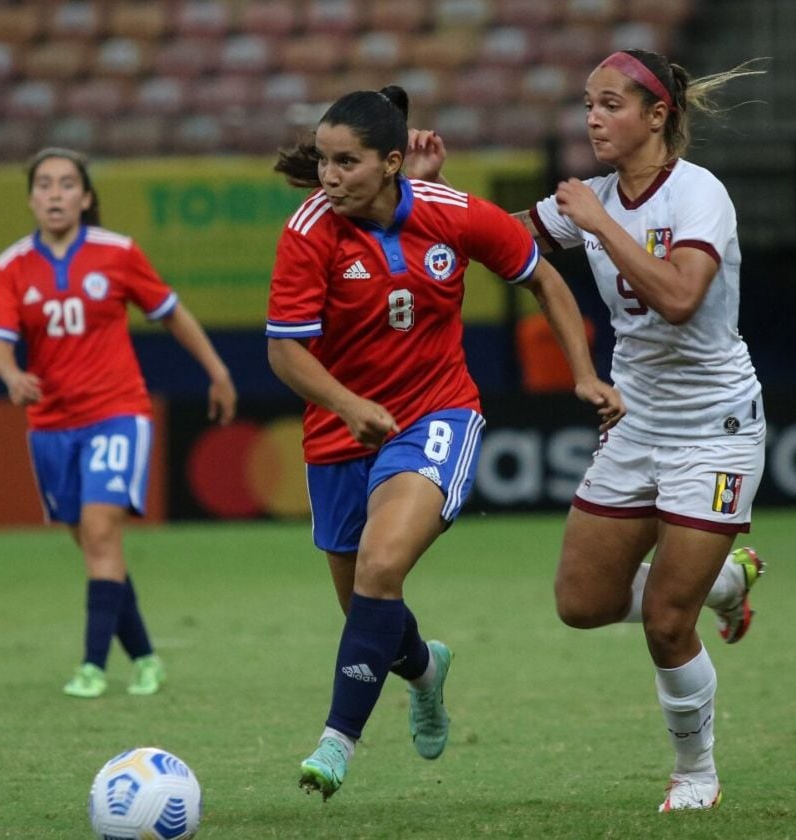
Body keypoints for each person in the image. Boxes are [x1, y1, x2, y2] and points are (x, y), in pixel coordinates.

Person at [413, 48, 769, 811]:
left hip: (715, 424)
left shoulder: (698, 194)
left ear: (657, 114)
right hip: (635, 421)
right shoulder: (594, 199)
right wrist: (432, 194)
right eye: (588, 103)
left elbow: (678, 298)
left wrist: (600, 222)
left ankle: (696, 772)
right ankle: (727, 581)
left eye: (610, 104)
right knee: (580, 602)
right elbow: (494, 241)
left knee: (667, 622)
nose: (593, 118)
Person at [266, 86, 623, 801]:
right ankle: (425, 668)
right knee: (370, 605)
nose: (329, 176)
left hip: (435, 416)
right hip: (339, 430)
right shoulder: (309, 232)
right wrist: (346, 403)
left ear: (391, 162)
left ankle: (337, 742)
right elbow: (285, 355)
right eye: (324, 161)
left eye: (346, 162)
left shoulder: (453, 215)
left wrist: (585, 373)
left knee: (381, 564)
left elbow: (544, 279)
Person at [0, 147, 237, 699]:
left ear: (86, 196)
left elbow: (172, 313)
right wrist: (11, 376)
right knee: (97, 548)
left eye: (66, 184)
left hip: (116, 413)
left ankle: (92, 668)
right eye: (45, 184)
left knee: (101, 533)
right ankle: (146, 658)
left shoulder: (117, 254)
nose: (55, 193)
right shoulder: (11, 266)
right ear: (30, 198)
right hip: (51, 425)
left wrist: (217, 372)